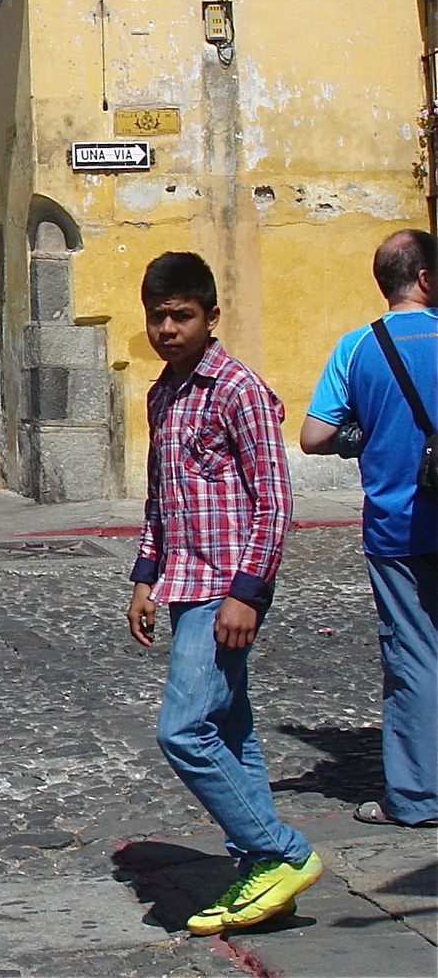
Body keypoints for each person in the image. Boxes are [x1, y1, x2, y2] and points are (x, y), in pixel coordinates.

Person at [126, 251, 322, 935]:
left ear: (211, 315)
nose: (168, 327)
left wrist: (248, 591)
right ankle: (259, 868)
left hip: (227, 586)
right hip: (185, 581)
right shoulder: (163, 395)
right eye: (158, 316)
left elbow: (274, 498)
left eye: (182, 314)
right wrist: (145, 575)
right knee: (230, 730)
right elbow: (161, 498)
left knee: (182, 728)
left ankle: (282, 850)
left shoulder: (237, 388)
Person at [299, 228, 437, 828]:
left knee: (414, 654)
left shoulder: (358, 348)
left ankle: (418, 796)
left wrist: (360, 430)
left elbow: (313, 436)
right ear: (427, 279)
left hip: (399, 527)